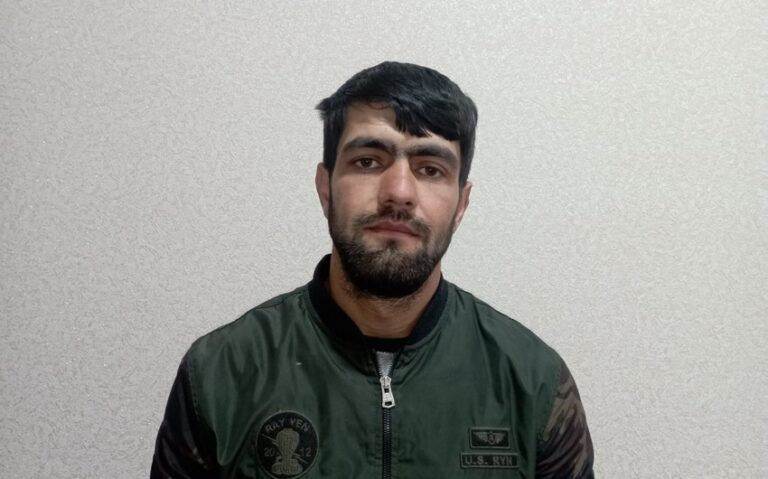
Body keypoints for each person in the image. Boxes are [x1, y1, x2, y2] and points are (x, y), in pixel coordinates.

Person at [151, 61, 594, 478]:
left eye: (430, 169)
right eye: (368, 161)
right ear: (326, 188)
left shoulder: (534, 383)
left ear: (461, 204)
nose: (398, 192)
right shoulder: (221, 374)